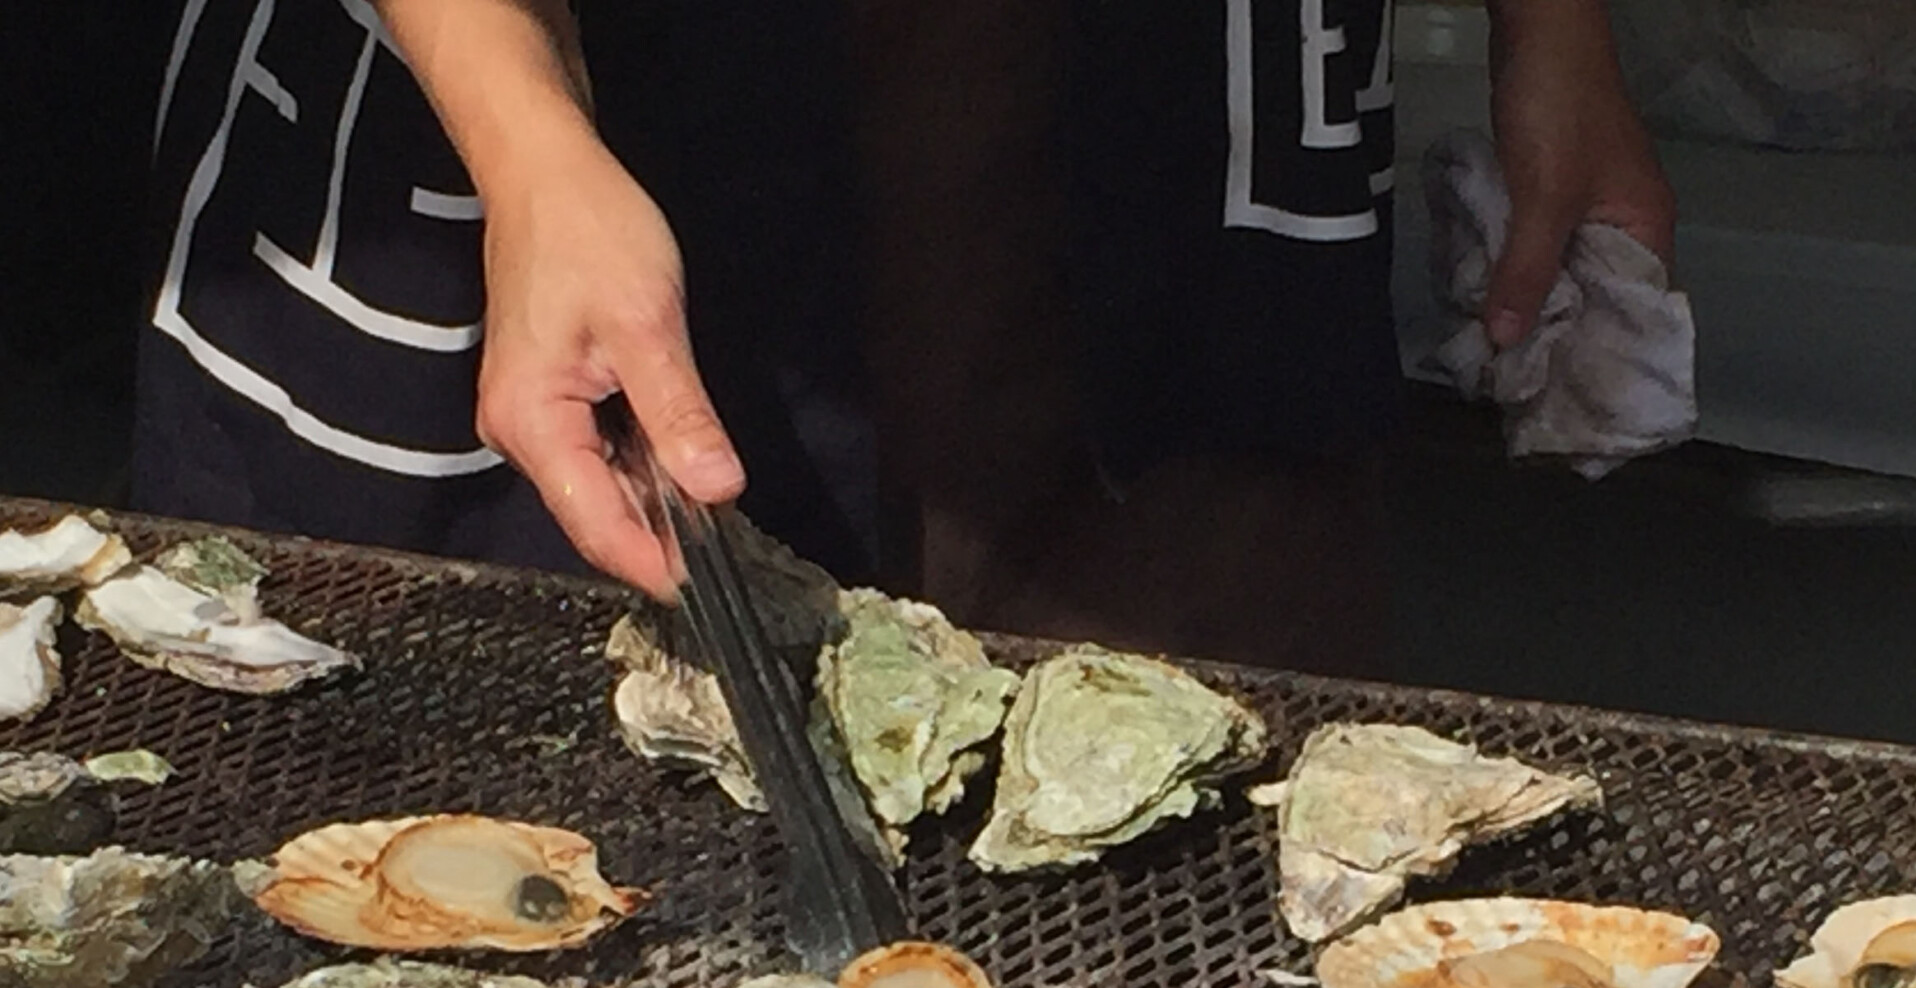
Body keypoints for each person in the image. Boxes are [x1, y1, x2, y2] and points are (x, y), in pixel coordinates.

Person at [136, 0, 1673, 665]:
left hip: (1170, 156)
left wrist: (1556, 31)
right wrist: (522, 135)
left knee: (1178, 822)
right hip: (542, 125)